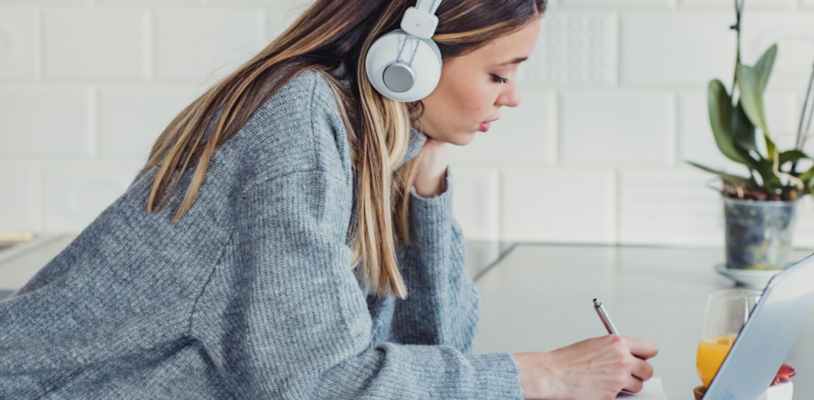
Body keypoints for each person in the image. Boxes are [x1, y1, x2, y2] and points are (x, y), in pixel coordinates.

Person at [0, 0, 658, 398]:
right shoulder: (298, 118)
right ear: (411, 58)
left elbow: (432, 347)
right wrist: (538, 375)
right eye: (499, 73)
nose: (512, 97)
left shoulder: (377, 143)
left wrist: (425, 171)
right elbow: (318, 385)